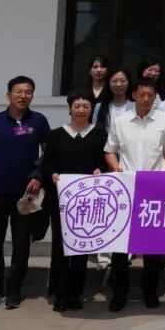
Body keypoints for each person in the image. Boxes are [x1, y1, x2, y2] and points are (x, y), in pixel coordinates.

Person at [0, 76, 50, 311]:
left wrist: (39, 175)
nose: (23, 96)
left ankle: (14, 289)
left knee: (21, 243)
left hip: (26, 195)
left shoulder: (38, 121)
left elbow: (48, 153)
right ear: (8, 95)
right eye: (18, 91)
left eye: (28, 92)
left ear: (32, 96)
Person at [104, 78, 165, 311]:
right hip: (126, 189)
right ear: (134, 95)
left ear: (155, 98)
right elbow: (110, 150)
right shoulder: (121, 121)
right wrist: (116, 168)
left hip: (154, 189)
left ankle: (150, 292)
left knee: (152, 246)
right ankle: (119, 294)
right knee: (120, 246)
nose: (146, 99)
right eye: (142, 94)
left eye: (150, 96)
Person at [40, 91, 109, 312]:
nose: (81, 110)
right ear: (70, 109)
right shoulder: (56, 134)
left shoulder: (99, 134)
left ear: (91, 109)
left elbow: (105, 161)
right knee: (60, 246)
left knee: (82, 246)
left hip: (88, 202)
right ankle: (59, 292)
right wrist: (52, 174)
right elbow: (46, 163)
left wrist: (100, 169)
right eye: (77, 106)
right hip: (61, 199)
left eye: (85, 106)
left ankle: (75, 293)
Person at [85, 55, 112, 122]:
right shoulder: (84, 90)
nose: (99, 70)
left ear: (107, 70)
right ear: (89, 71)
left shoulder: (111, 89)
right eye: (95, 67)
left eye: (102, 67)